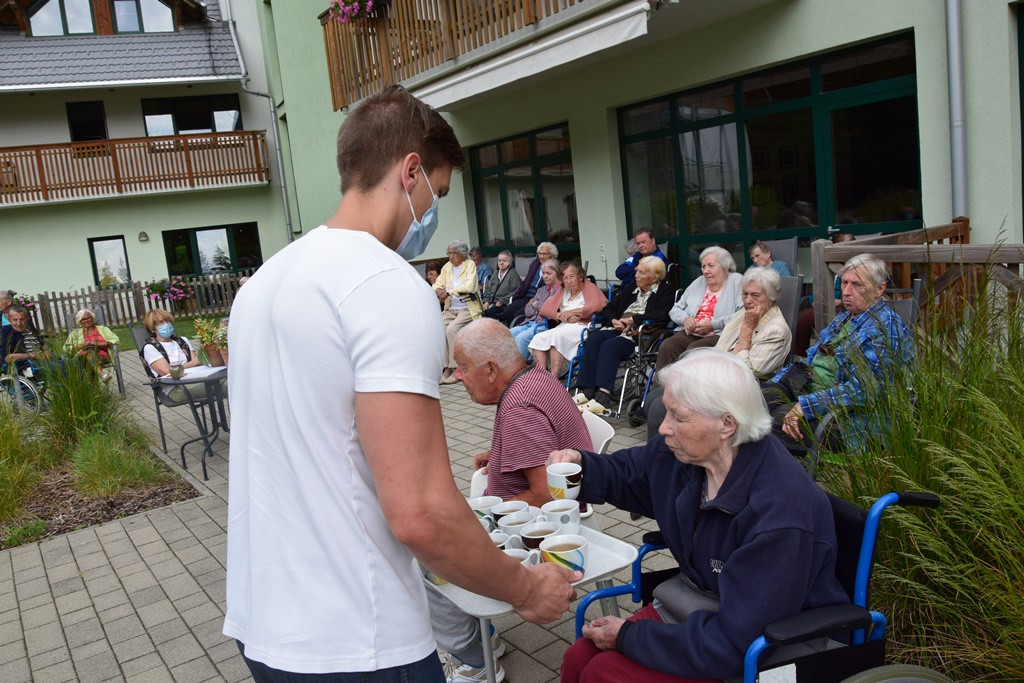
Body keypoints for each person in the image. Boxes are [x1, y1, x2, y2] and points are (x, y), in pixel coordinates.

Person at [223, 85, 578, 682]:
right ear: (410, 170)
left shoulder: (265, 282)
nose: (433, 215)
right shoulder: (384, 284)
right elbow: (420, 512)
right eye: (437, 193)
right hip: (357, 634)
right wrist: (525, 588)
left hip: (266, 624)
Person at [554, 349, 848, 682]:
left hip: (768, 642)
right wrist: (582, 467)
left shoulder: (779, 513)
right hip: (705, 605)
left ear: (726, 424)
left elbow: (736, 643)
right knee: (579, 657)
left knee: (604, 674)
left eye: (678, 417)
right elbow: (632, 472)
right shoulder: (685, 456)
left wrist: (628, 637)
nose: (663, 427)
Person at [428, 319, 593, 682]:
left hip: (538, 528)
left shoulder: (519, 408)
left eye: (463, 368)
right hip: (566, 505)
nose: (457, 377)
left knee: (428, 564)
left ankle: (478, 659)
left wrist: (479, 524)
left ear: (491, 369)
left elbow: (544, 494)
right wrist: (502, 454)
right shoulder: (536, 378)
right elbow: (543, 443)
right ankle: (482, 640)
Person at [766, 253, 914, 453]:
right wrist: (774, 386)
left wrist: (805, 406)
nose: (846, 291)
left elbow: (865, 391)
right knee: (753, 403)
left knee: (769, 423)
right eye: (844, 283)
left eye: (857, 285)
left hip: (853, 422)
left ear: (880, 289)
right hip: (811, 387)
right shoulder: (845, 319)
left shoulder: (885, 327)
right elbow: (814, 360)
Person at [573, 256, 674, 414]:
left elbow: (663, 315)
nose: (636, 275)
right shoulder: (632, 287)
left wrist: (634, 319)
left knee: (610, 346)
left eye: (641, 272)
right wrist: (614, 320)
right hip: (619, 329)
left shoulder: (665, 290)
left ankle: (603, 397)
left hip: (640, 334)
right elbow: (609, 307)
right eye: (637, 271)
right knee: (594, 338)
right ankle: (587, 390)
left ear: (654, 277)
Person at [655, 246, 743, 371]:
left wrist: (713, 324)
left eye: (711, 266)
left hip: (719, 334)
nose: (706, 271)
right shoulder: (699, 282)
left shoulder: (736, 281)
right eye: (703, 266)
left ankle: (688, 388)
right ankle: (661, 388)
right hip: (691, 332)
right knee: (668, 345)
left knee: (694, 350)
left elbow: (742, 313)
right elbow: (675, 309)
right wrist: (685, 319)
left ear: (725, 266)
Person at [528, 261, 605, 377]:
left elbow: (598, 305)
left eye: (572, 276)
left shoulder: (589, 287)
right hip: (564, 326)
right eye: (565, 278)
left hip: (583, 326)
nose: (569, 281)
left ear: (580, 277)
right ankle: (543, 379)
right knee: (538, 339)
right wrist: (561, 316)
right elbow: (545, 309)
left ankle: (554, 380)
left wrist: (574, 312)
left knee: (557, 338)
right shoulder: (563, 291)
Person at [139, 309, 215, 402]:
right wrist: (192, 364)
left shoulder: (182, 341)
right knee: (221, 385)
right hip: (176, 389)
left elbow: (197, 363)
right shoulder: (150, 348)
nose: (166, 324)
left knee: (225, 382)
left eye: (167, 321)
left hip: (195, 380)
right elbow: (169, 372)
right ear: (152, 329)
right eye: (160, 323)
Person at [436, 240, 483, 384]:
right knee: (439, 328)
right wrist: (438, 290)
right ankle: (445, 367)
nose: (451, 256)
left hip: (467, 307)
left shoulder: (469, 265)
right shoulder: (446, 267)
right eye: (449, 253)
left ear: (462, 254)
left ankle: (454, 367)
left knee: (451, 329)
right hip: (451, 309)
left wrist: (449, 292)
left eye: (454, 253)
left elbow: (469, 286)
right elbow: (438, 283)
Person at [484, 243, 558, 325]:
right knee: (507, 311)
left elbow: (548, 289)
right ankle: (510, 332)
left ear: (552, 255)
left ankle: (518, 332)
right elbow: (525, 283)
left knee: (518, 315)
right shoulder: (535, 264)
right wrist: (516, 296)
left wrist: (534, 299)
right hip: (526, 296)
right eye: (540, 253)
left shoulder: (554, 268)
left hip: (538, 298)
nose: (541, 256)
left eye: (544, 254)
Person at [509, 259, 560, 359]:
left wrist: (536, 305)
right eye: (543, 273)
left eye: (548, 273)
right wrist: (539, 307)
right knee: (507, 334)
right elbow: (527, 310)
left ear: (557, 272)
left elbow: (549, 310)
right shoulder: (542, 290)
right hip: (529, 322)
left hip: (545, 324)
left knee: (521, 339)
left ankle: (521, 369)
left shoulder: (560, 289)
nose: (545, 276)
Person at [63, 308, 120, 382]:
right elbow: (65, 348)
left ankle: (95, 390)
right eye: (83, 319)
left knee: (90, 360)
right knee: (89, 354)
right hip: (81, 358)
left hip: (102, 356)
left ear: (93, 318)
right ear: (79, 321)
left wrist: (99, 343)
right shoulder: (74, 334)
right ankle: (102, 375)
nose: (87, 320)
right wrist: (81, 345)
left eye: (89, 318)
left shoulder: (103, 329)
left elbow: (116, 339)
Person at [0, 305, 51, 374]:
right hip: (27, 365)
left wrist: (46, 351)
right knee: (60, 367)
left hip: (43, 360)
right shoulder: (6, 330)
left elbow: (41, 342)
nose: (18, 323)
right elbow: (7, 357)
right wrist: (34, 355)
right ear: (9, 320)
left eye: (22, 319)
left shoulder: (29, 328)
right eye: (15, 320)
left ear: (28, 319)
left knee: (68, 362)